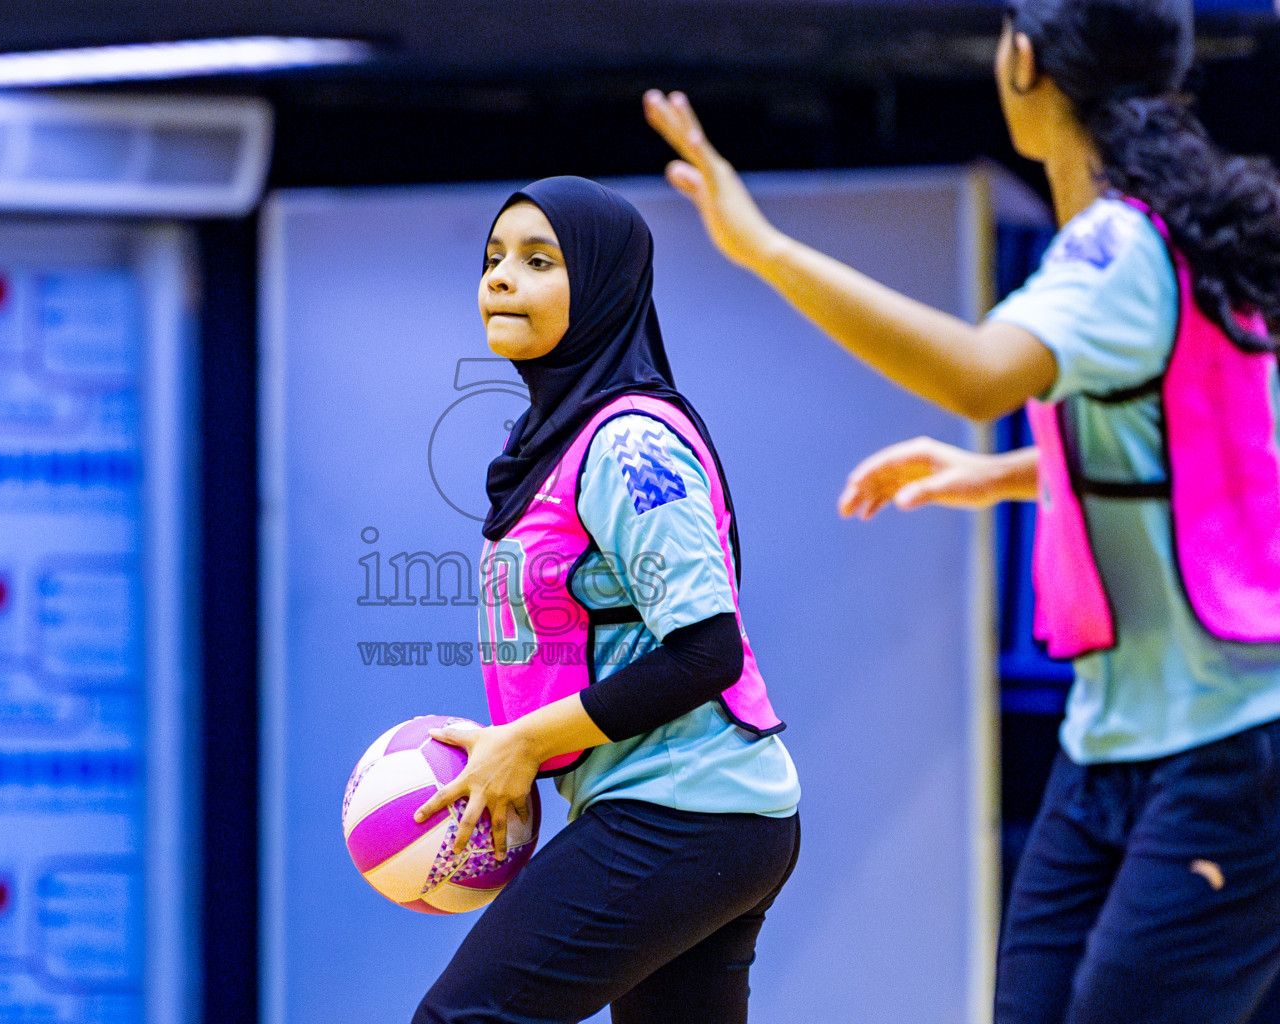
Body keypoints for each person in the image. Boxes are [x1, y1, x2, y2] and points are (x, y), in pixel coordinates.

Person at [645, 0, 1280, 1022]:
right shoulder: (1177, 237)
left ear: (1024, 62)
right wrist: (1001, 476)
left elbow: (980, 376)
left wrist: (761, 246)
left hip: (1231, 749)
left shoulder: (1121, 248)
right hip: (1107, 748)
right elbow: (1200, 462)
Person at [409, 175, 800, 1024]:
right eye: (493, 258)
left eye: (539, 260)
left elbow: (706, 652)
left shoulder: (629, 444)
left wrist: (526, 741)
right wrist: (516, 745)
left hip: (692, 809)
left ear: (604, 290)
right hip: (694, 811)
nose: (501, 278)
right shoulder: (553, 438)